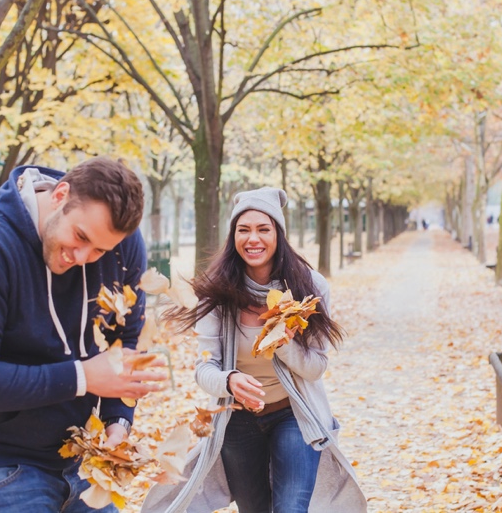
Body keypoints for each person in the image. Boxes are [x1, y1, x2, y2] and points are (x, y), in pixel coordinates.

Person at [0, 158, 167, 513]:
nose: (83, 257)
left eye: (100, 250)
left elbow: (125, 339)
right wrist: (84, 377)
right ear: (60, 195)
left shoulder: (123, 245)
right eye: (80, 236)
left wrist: (118, 421)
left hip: (80, 453)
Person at [143, 187, 366, 513]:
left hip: (294, 414)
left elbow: (317, 367)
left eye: (264, 229)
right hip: (237, 422)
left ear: (279, 233)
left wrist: (283, 343)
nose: (253, 239)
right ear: (233, 235)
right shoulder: (217, 293)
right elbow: (204, 368)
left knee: (291, 509)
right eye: (243, 230)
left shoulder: (310, 288)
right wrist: (230, 381)